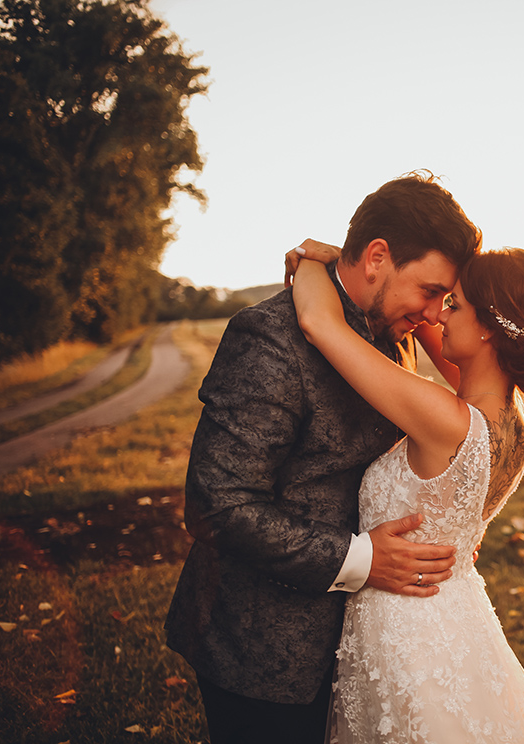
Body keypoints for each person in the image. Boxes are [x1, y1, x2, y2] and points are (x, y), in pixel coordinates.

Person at [164, 171, 481, 744]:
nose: (436, 314)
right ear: (378, 256)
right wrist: (361, 560)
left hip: (370, 642)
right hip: (263, 647)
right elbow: (217, 505)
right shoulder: (268, 339)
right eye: (431, 292)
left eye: (445, 299)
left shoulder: (393, 328)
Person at [290, 243, 524, 743]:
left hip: (406, 635)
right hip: (454, 619)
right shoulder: (512, 422)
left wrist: (318, 260)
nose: (437, 313)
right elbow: (417, 312)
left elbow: (319, 323)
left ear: (488, 327)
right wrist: (366, 263)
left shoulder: (446, 421)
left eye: (454, 304)